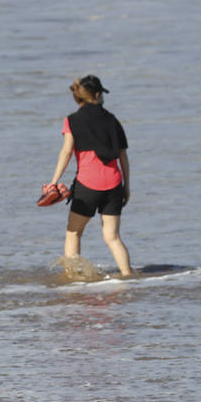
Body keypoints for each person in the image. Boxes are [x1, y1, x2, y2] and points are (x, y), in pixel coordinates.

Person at [47, 74, 132, 277]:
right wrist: (126, 186)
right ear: (96, 94)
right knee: (112, 237)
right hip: (113, 183)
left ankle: (75, 279)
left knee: (74, 232)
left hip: (87, 185)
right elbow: (123, 155)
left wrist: (54, 181)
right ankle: (129, 277)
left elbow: (66, 152)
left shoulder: (72, 121)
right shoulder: (112, 120)